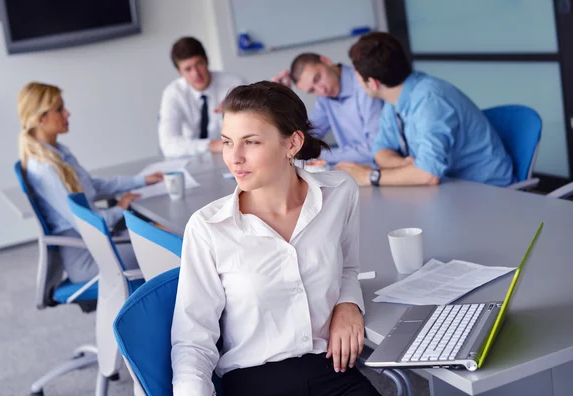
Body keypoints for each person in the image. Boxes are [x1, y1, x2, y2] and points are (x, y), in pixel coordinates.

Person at [170, 81, 381, 396]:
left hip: (330, 370)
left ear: (292, 143)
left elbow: (347, 266)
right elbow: (192, 339)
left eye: (251, 142)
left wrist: (348, 303)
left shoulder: (339, 192)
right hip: (254, 381)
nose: (235, 157)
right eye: (227, 142)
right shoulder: (208, 228)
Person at [18, 82, 163, 283]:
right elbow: (87, 224)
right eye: (59, 109)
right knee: (165, 250)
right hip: (88, 257)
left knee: (160, 234)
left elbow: (94, 186)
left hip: (97, 244)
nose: (67, 114)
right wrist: (120, 207)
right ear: (41, 118)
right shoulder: (45, 169)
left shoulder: (58, 152)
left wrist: (142, 181)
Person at [335, 32, 515, 187]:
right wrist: (404, 165)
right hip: (450, 189)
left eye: (357, 75)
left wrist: (369, 176)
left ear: (373, 83)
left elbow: (428, 175)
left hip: (489, 192)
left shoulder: (430, 99)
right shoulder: (394, 99)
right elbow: (381, 150)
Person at [272, 53, 383, 164]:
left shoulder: (364, 83)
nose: (321, 90)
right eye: (312, 90)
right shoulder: (324, 99)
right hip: (357, 173)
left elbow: (377, 147)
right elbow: (304, 139)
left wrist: (320, 155)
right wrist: (282, 100)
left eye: (317, 78)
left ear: (326, 61)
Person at [158, 37, 247, 158]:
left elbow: (253, 130)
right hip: (192, 157)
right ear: (179, 72)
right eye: (188, 69)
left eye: (199, 64)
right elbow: (169, 145)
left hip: (232, 155)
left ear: (207, 61)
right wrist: (210, 145)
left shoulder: (234, 84)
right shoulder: (173, 93)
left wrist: (236, 111)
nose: (196, 74)